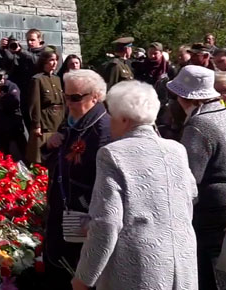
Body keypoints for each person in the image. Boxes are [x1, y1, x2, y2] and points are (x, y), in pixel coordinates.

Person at [72, 81, 198, 290]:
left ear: (124, 119)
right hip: (181, 259)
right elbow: (191, 195)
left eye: (111, 115)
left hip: (138, 266)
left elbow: (107, 223)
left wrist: (84, 277)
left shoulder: (113, 154)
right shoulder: (176, 150)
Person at [167, 65, 226, 290]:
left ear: (187, 97)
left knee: (212, 271)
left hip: (214, 208)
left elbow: (189, 178)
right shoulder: (225, 112)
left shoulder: (199, 124)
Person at [41, 70, 111, 290]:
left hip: (83, 220)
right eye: (66, 96)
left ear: (96, 96)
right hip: (64, 215)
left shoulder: (103, 129)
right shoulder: (76, 121)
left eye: (75, 97)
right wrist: (50, 145)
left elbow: (105, 183)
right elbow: (57, 161)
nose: (68, 103)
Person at [0, 28, 45, 128]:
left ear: (40, 40)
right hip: (25, 97)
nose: (29, 42)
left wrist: (20, 51)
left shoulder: (46, 53)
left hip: (40, 97)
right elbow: (12, 61)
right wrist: (4, 49)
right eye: (28, 40)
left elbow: (36, 61)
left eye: (32, 40)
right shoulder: (25, 53)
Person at [26, 49, 64, 164]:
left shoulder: (57, 79)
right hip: (45, 123)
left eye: (56, 60)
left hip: (58, 121)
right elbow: (35, 103)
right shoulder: (38, 79)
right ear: (44, 62)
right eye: (51, 60)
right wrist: (37, 124)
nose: (54, 63)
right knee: (41, 158)